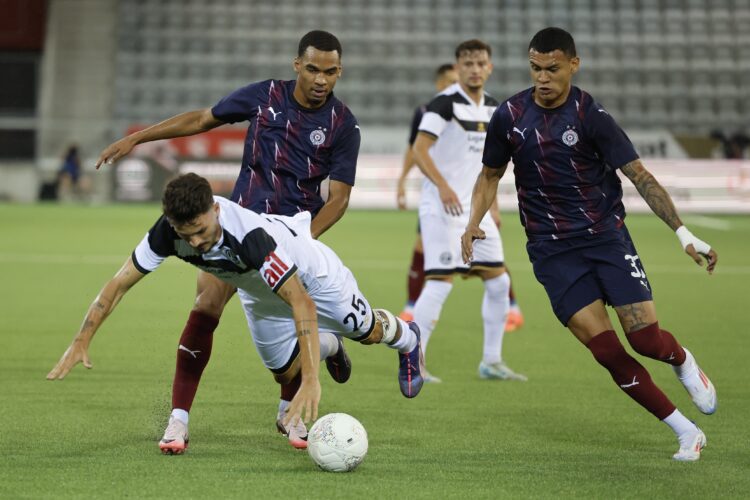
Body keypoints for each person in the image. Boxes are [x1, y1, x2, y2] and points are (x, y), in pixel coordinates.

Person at [69, 30, 361, 449]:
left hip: (291, 234)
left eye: (330, 72)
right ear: (298, 65)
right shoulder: (265, 96)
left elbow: (340, 198)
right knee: (205, 305)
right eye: (313, 68)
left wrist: (302, 242)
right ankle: (178, 421)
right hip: (234, 227)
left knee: (288, 325)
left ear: (339, 72)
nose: (320, 79)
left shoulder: (343, 125)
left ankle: (290, 411)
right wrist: (138, 137)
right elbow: (203, 118)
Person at [461, 27, 718, 461]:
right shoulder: (509, 115)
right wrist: (473, 223)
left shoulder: (590, 116)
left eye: (553, 69)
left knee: (646, 341)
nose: (542, 78)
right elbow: (490, 174)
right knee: (606, 351)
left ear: (573, 66)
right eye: (535, 68)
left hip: (605, 237)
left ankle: (682, 361)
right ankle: (685, 430)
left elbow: (640, 176)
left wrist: (682, 232)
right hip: (551, 250)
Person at [48, 173, 424, 454]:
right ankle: (328, 346)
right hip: (257, 292)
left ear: (214, 209)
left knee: (368, 331)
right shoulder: (168, 232)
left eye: (199, 230)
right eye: (185, 233)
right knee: (283, 370)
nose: (194, 243)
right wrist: (82, 339)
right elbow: (118, 285)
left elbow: (301, 303)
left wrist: (312, 381)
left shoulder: (249, 237)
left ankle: (409, 340)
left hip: (315, 280)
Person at [410, 39, 526, 383]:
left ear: (490, 67)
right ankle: (414, 361)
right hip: (442, 209)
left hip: (477, 212)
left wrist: (494, 206)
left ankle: (491, 361)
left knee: (498, 280)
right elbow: (419, 149)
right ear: (458, 68)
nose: (475, 69)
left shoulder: (495, 108)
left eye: (480, 63)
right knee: (440, 283)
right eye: (468, 63)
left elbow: (490, 167)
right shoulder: (443, 104)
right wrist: (443, 186)